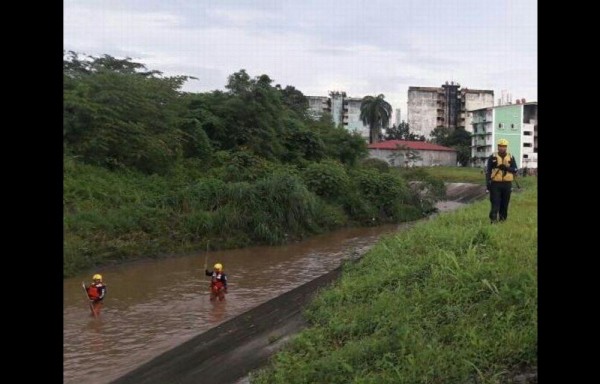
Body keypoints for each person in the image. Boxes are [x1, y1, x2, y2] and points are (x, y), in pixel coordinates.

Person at [485, 138, 518, 223]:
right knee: (495, 203)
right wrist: (487, 184)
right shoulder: (493, 157)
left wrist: (506, 168)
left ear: (506, 147)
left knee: (504, 204)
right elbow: (488, 171)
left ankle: (502, 221)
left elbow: (515, 169)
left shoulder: (511, 157)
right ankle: (493, 220)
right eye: (500, 146)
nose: (502, 148)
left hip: (507, 184)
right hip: (495, 184)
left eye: (504, 146)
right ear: (498, 147)